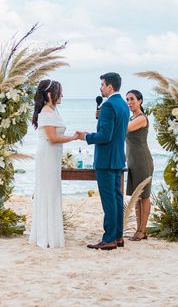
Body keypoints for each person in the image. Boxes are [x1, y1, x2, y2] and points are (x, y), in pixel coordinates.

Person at [79, 72, 129, 250]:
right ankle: (118, 236)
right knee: (116, 200)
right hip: (117, 158)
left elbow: (105, 136)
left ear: (109, 86)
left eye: (102, 84)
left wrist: (86, 136)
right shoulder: (123, 105)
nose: (100, 88)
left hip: (106, 160)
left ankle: (109, 239)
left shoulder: (108, 106)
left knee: (109, 202)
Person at [29, 79, 79, 248]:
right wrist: (73, 137)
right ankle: (47, 236)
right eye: (59, 92)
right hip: (47, 156)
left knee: (52, 190)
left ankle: (50, 233)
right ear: (50, 94)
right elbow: (52, 138)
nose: (62, 95)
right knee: (48, 191)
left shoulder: (52, 110)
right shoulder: (46, 112)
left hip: (53, 156)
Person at [125, 90, 154, 241]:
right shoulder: (131, 117)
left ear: (140, 101)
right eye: (127, 100)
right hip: (132, 162)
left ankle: (142, 230)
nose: (129, 102)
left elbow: (127, 128)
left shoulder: (141, 118)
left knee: (144, 196)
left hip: (142, 160)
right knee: (136, 197)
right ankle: (138, 229)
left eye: (132, 99)